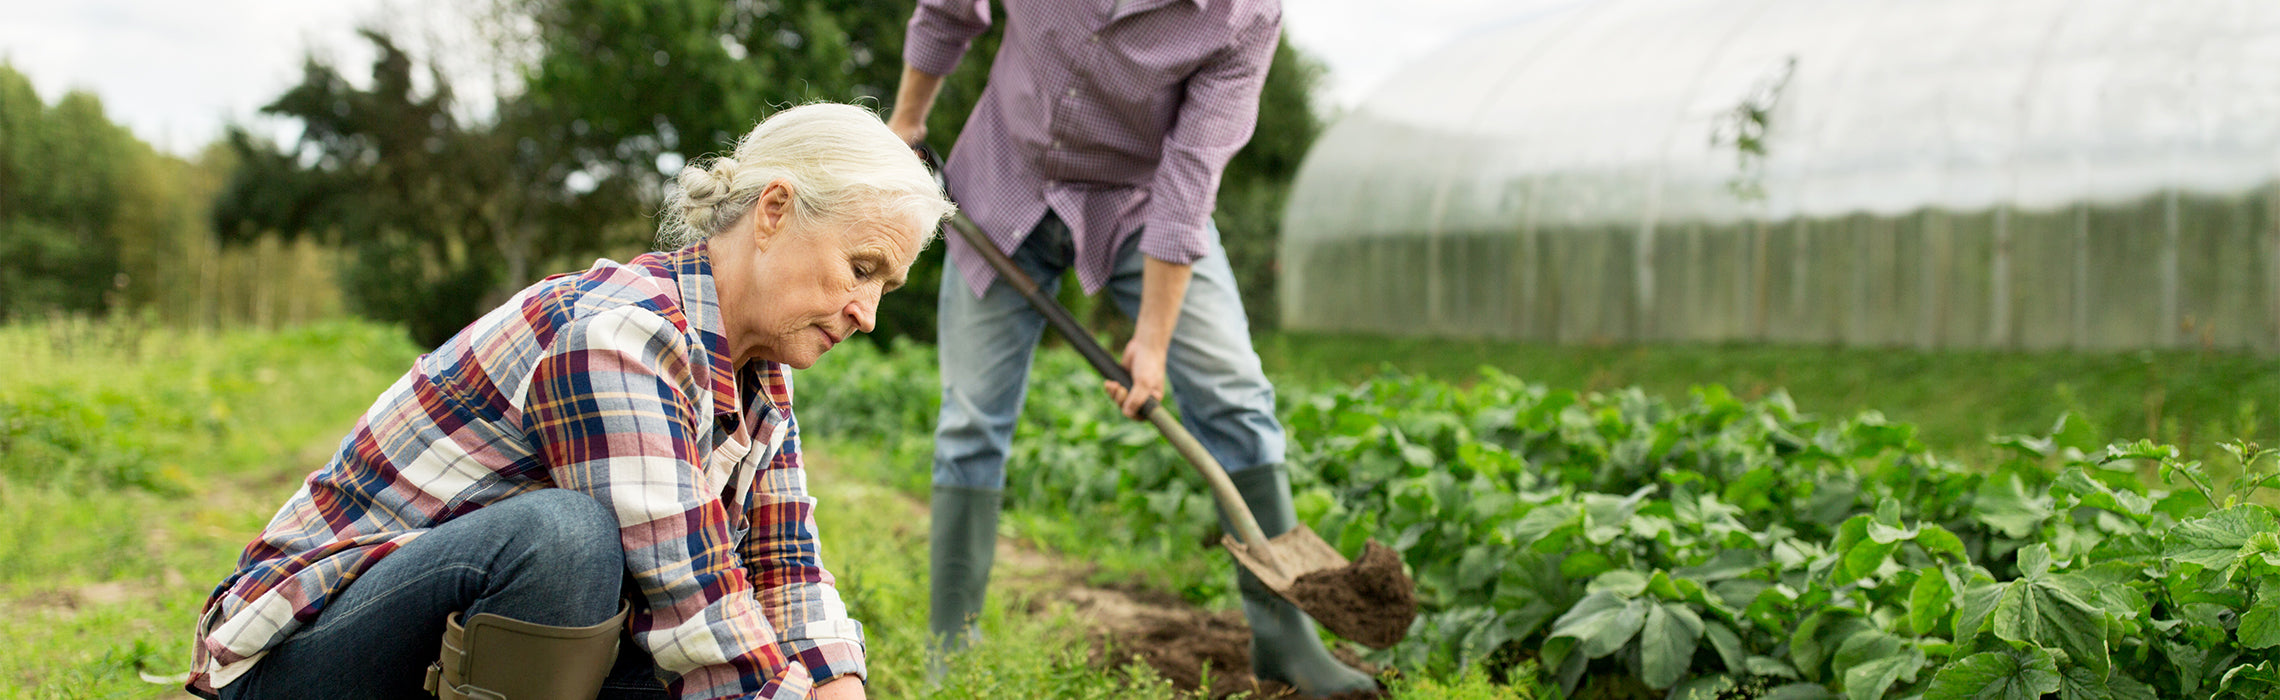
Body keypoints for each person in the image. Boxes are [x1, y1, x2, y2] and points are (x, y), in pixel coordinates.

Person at [185, 103, 953, 700]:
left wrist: (838, 681)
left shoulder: (757, 376)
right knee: (568, 540)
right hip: (296, 661)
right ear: (774, 211)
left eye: (885, 286)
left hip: (456, 650)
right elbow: (694, 599)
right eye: (861, 267)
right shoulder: (623, 336)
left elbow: (785, 564)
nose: (867, 311)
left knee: (639, 606)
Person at [888, 0, 1376, 695]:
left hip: (1139, 206)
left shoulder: (1246, 15)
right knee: (971, 419)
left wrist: (1152, 338)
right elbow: (949, 9)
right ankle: (950, 652)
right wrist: (906, 124)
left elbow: (1189, 184)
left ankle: (1286, 641)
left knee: (1234, 394)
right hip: (1005, 179)